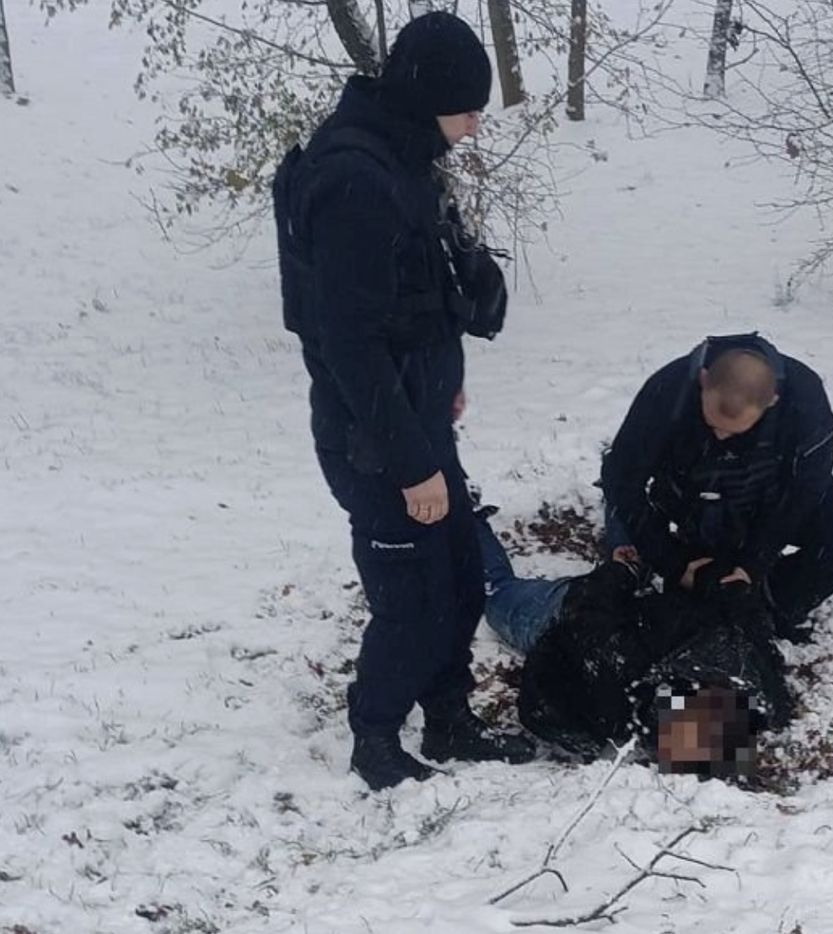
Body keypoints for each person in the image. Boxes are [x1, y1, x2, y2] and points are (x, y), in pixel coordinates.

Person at [272, 12, 533, 791]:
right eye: (467, 111)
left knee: (455, 575)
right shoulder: (356, 182)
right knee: (410, 595)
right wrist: (413, 465)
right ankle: (376, 738)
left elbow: (411, 301)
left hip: (416, 418)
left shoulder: (402, 157)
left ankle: (450, 721)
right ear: (427, 100)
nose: (475, 128)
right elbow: (349, 345)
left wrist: (444, 373)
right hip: (375, 438)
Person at [600, 333, 833, 641]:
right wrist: (673, 563)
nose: (721, 437)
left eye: (734, 430)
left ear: (772, 401)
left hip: (768, 497)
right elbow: (622, 477)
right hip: (688, 500)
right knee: (675, 585)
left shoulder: (804, 400)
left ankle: (772, 602)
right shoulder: (667, 390)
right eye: (713, 424)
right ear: (703, 380)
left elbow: (807, 488)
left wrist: (753, 564)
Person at [476, 517, 792, 774]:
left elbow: (546, 701)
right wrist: (620, 575)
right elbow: (588, 623)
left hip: (599, 615)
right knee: (500, 595)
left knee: (502, 595)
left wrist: (623, 574)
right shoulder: (622, 664)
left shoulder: (751, 673)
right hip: (575, 611)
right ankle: (467, 517)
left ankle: (472, 524)